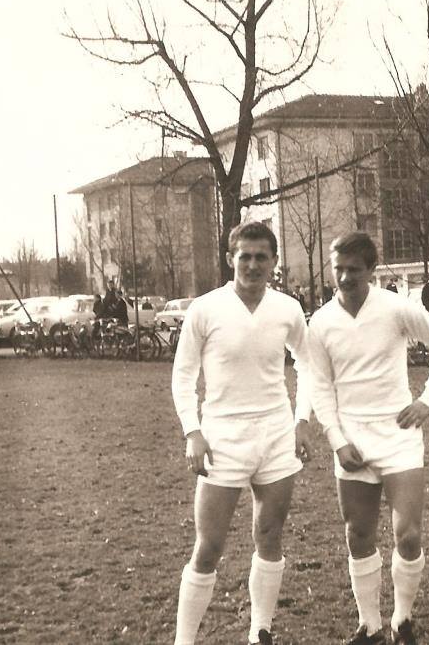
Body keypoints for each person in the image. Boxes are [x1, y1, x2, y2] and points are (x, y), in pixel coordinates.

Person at [306, 232, 429, 645]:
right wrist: (337, 440)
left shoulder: (395, 307)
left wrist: (428, 399)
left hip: (398, 435)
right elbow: (319, 386)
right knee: (358, 535)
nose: (344, 277)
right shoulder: (321, 323)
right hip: (351, 440)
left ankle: (402, 619)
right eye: (338, 268)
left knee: (408, 534)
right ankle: (369, 625)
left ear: (371, 270)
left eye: (354, 269)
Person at [171, 221, 313, 645]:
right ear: (229, 259)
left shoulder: (287, 309)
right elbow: (183, 376)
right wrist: (192, 431)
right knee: (209, 546)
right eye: (244, 256)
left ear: (274, 261)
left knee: (269, 536)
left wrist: (302, 420)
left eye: (261, 257)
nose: (252, 265)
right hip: (222, 438)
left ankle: (260, 631)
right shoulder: (205, 309)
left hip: (276, 435)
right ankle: (183, 641)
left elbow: (308, 366)